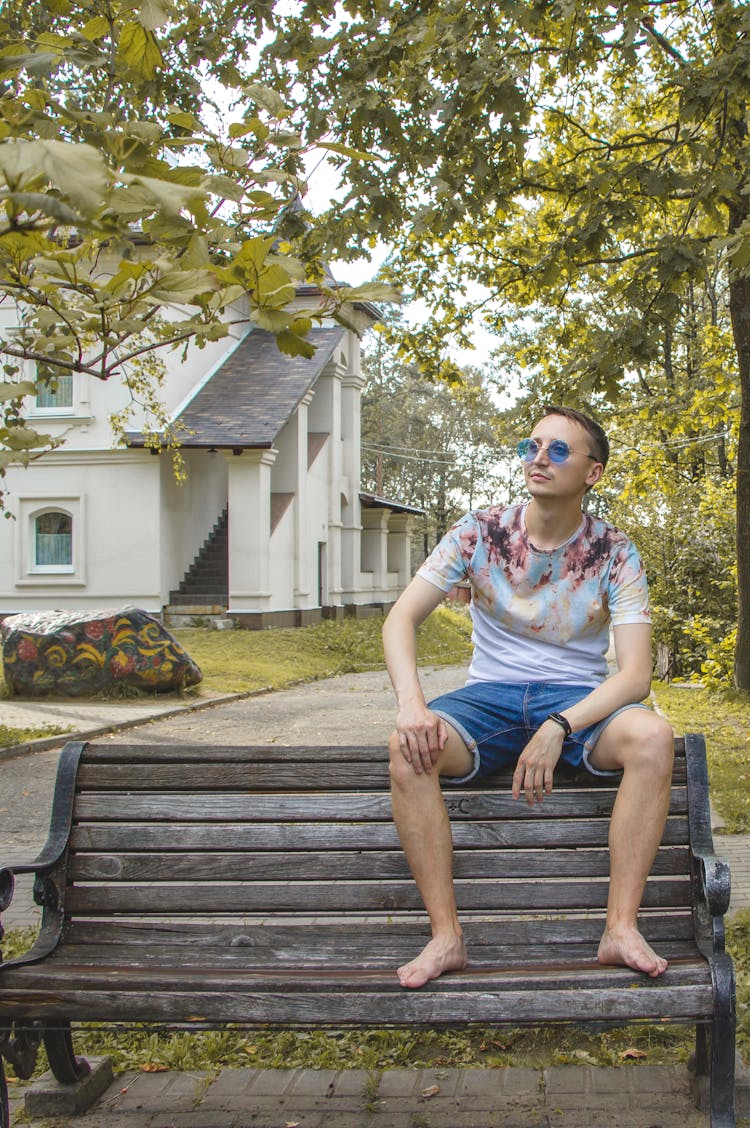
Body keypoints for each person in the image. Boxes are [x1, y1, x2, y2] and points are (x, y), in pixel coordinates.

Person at [383, 405, 675, 990]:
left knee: (652, 734)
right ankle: (447, 938)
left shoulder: (614, 551)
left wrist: (559, 725)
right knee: (408, 746)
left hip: (578, 702)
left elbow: (636, 675)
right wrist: (413, 706)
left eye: (559, 450)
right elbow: (399, 619)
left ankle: (620, 928)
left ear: (593, 472)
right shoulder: (479, 531)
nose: (539, 458)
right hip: (488, 699)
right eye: (531, 445)